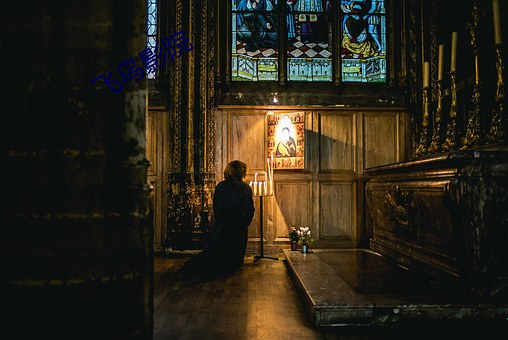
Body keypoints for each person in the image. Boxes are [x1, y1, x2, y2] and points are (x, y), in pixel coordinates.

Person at [180, 160, 255, 276]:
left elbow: (216, 206)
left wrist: (220, 220)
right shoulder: (245, 188)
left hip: (222, 224)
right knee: (237, 247)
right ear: (241, 172)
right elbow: (249, 208)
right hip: (238, 225)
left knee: (217, 250)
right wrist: (245, 223)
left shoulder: (220, 186)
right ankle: (235, 264)